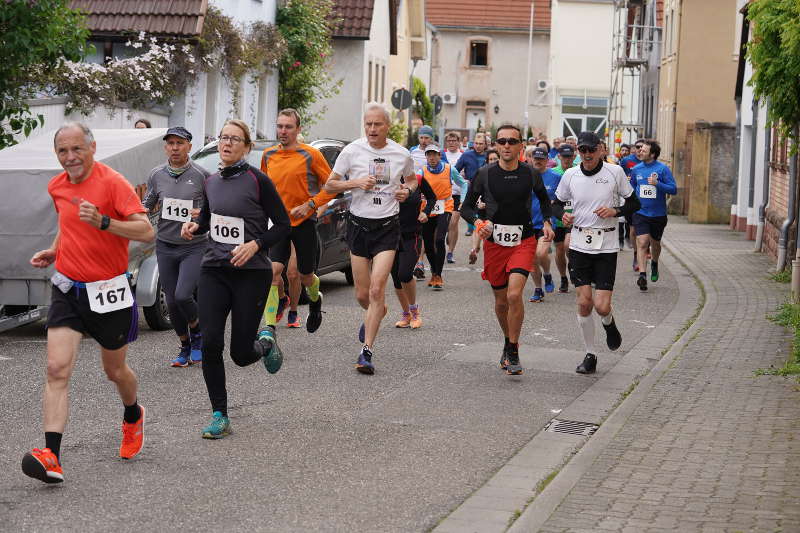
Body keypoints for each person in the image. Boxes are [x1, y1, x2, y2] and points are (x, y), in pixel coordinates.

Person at [22, 122, 155, 484]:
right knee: (56, 368)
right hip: (68, 287)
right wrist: (55, 248)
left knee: (115, 371)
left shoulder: (113, 183)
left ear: (92, 148)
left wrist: (105, 222)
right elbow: (68, 223)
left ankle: (132, 413)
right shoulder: (58, 186)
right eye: (62, 151)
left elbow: (146, 231)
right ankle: (51, 455)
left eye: (76, 149)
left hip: (108, 292)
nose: (70, 158)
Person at [181, 119, 291, 439]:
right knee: (212, 341)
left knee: (240, 355)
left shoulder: (259, 181)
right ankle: (220, 415)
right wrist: (194, 228)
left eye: (234, 139)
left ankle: (265, 342)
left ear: (246, 146)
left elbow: (283, 225)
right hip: (214, 269)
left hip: (251, 273)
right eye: (223, 138)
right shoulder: (211, 181)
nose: (227, 143)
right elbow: (207, 221)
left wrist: (256, 244)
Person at [324, 102, 417, 374]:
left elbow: (412, 180)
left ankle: (366, 352)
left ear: (388, 126)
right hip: (358, 227)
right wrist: (355, 183)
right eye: (368, 124)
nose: (372, 129)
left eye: (378, 124)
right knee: (363, 294)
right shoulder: (351, 151)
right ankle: (377, 311)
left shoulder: (400, 154)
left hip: (388, 227)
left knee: (378, 289)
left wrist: (406, 192)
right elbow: (330, 184)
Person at [461, 124, 554, 376]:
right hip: (494, 244)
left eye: (512, 141)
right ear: (495, 144)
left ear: (521, 146)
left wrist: (547, 221)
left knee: (514, 296)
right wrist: (479, 223)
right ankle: (507, 339)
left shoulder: (530, 173)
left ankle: (513, 349)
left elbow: (545, 200)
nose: (506, 146)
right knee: (501, 302)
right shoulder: (484, 174)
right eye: (501, 141)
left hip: (523, 241)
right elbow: (466, 208)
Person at [552, 131, 641, 375]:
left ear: (601, 149)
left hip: (606, 245)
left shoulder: (615, 173)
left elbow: (635, 203)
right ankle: (590, 354)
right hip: (580, 242)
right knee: (584, 302)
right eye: (583, 150)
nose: (587, 155)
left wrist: (615, 211)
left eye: (592, 150)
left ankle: (609, 323)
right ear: (578, 151)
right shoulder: (570, 175)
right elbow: (555, 203)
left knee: (601, 306)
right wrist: (562, 215)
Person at [260, 108, 335, 333]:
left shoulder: (311, 154)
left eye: (288, 127)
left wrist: (311, 205)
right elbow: (263, 189)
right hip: (279, 225)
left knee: (305, 275)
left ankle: (315, 301)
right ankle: (269, 328)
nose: (283, 131)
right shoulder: (268, 155)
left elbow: (332, 186)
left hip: (304, 224)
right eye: (280, 126)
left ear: (298, 129)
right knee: (272, 273)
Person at [142, 126, 208, 367]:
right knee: (171, 302)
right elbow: (147, 202)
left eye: (180, 143)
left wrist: (200, 217)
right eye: (170, 143)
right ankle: (185, 346)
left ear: (189, 146)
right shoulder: (156, 174)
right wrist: (138, 212)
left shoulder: (202, 175)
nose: (175, 148)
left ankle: (198, 335)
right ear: (165, 147)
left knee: (183, 295)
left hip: (194, 246)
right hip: (166, 245)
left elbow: (212, 209)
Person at [392, 166, 437, 328]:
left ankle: (415, 312)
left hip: (412, 234)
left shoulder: (417, 180)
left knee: (404, 274)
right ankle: (406, 314)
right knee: (396, 278)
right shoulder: (387, 181)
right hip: (389, 235)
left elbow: (432, 197)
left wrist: (426, 212)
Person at [630, 139, 676, 291]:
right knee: (642, 242)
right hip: (640, 212)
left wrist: (658, 184)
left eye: (643, 150)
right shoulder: (636, 169)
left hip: (658, 214)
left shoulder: (663, 169)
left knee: (655, 243)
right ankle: (642, 275)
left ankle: (654, 262)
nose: (640, 152)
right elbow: (631, 190)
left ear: (653, 154)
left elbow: (673, 189)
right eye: (639, 150)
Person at [419, 145, 467, 290]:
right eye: (429, 155)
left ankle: (438, 275)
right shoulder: (422, 171)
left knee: (439, 239)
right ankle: (434, 271)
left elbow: (464, 184)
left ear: (440, 156)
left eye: (434, 155)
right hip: (427, 208)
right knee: (427, 242)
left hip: (445, 207)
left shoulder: (449, 169)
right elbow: (414, 186)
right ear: (426, 157)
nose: (432, 158)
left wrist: (463, 200)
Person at [468, 148, 499, 264]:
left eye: (495, 159)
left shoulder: (505, 175)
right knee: (479, 226)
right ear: (487, 161)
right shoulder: (482, 173)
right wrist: (478, 203)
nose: (493, 161)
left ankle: (488, 259)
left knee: (489, 237)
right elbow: (474, 193)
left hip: (498, 213)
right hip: (483, 208)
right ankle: (474, 250)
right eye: (490, 159)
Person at [456, 133, 488, 237]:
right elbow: (455, 170)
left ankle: (479, 229)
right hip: (471, 187)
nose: (478, 146)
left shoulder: (489, 156)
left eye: (481, 143)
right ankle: (471, 228)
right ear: (473, 143)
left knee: (482, 210)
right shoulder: (466, 155)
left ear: (485, 145)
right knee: (468, 208)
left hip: (486, 188)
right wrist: (463, 181)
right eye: (476, 143)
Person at [619, 139, 644, 269]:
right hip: (631, 199)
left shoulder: (648, 162)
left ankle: (644, 250)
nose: (640, 149)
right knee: (633, 229)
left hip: (646, 202)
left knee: (646, 233)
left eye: (643, 147)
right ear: (634, 148)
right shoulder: (626, 161)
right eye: (638, 147)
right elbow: (620, 177)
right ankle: (636, 254)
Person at [443, 131, 465, 264]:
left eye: (454, 140)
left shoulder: (463, 156)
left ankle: (450, 252)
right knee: (445, 223)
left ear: (458, 142)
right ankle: (447, 234)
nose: (451, 143)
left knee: (454, 222)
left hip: (457, 194)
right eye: (449, 141)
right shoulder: (441, 155)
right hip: (444, 194)